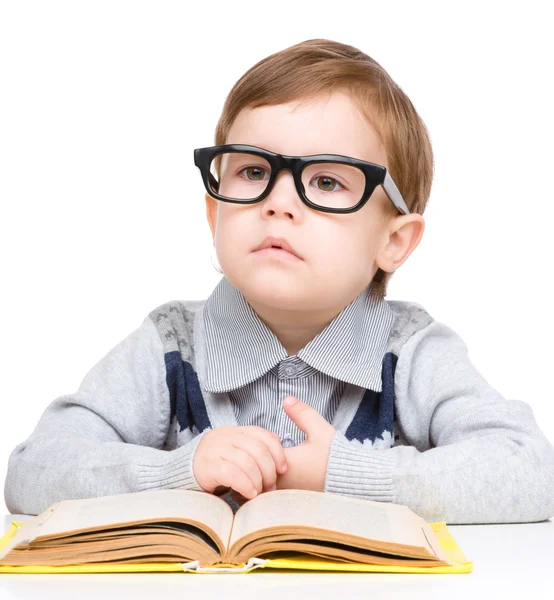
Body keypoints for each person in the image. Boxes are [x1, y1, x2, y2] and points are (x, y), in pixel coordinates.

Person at [5, 38, 554, 523]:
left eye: (328, 180)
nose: (279, 202)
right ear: (213, 212)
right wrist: (180, 470)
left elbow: (529, 471)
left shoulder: (411, 352)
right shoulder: (170, 345)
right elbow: (34, 470)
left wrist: (348, 475)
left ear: (394, 242)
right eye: (252, 172)